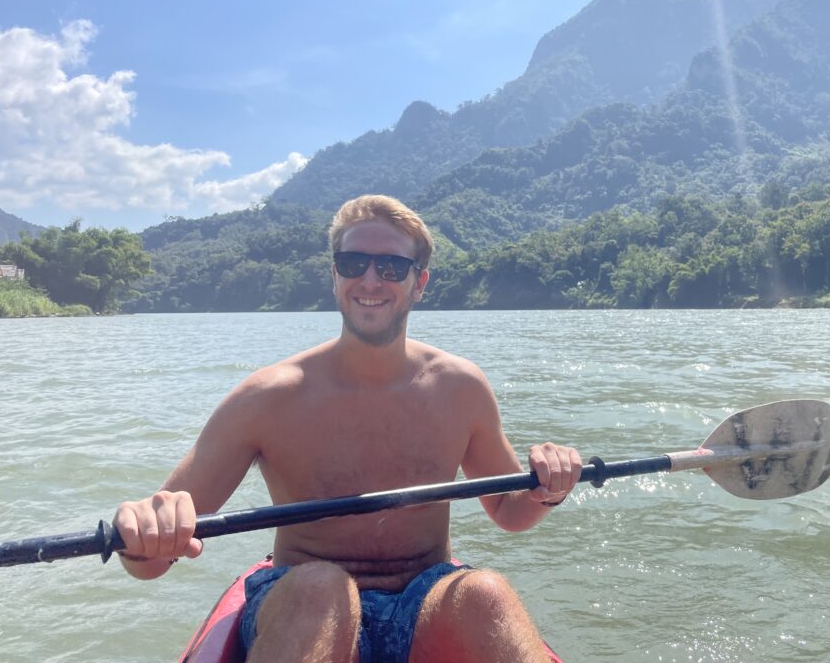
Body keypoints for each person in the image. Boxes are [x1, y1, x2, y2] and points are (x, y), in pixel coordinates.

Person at [113, 194, 582, 663]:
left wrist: (548, 488)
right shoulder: (267, 397)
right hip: (302, 598)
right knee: (322, 588)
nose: (370, 280)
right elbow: (150, 562)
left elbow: (508, 510)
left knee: (486, 592)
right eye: (354, 262)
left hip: (424, 597)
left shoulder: (460, 387)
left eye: (392, 267)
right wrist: (145, 530)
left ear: (420, 282)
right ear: (335, 276)